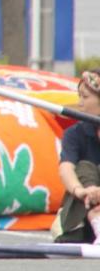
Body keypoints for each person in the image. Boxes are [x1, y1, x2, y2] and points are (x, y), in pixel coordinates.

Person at [53, 71, 100, 244]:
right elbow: (66, 168)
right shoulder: (74, 133)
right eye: (79, 96)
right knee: (85, 167)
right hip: (83, 206)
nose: (80, 103)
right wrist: (81, 191)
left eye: (85, 97)